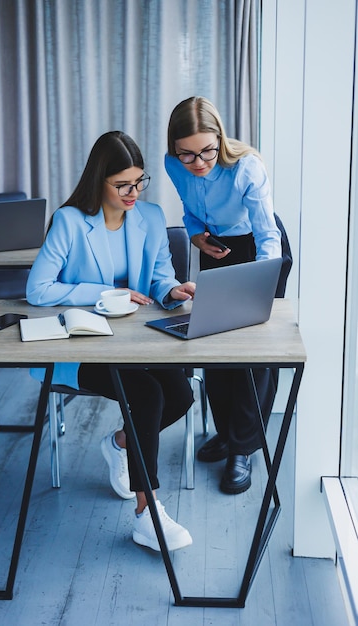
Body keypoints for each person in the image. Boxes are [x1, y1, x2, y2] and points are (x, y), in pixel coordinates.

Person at [27, 130, 196, 551]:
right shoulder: (70, 222)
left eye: (140, 181)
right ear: (99, 180)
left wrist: (170, 291)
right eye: (123, 184)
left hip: (135, 342)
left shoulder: (151, 218)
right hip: (82, 345)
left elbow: (159, 275)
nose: (133, 192)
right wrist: (101, 295)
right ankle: (147, 513)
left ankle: (120, 443)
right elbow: (38, 289)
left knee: (179, 395)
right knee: (146, 396)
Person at [165, 96, 282, 495]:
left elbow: (269, 235)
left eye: (207, 151)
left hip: (257, 249)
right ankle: (228, 432)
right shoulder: (172, 165)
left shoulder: (247, 166)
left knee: (252, 351)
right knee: (212, 344)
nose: (199, 163)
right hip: (214, 246)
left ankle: (244, 447)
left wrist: (261, 280)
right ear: (174, 150)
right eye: (188, 155)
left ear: (220, 137)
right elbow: (190, 211)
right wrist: (197, 234)